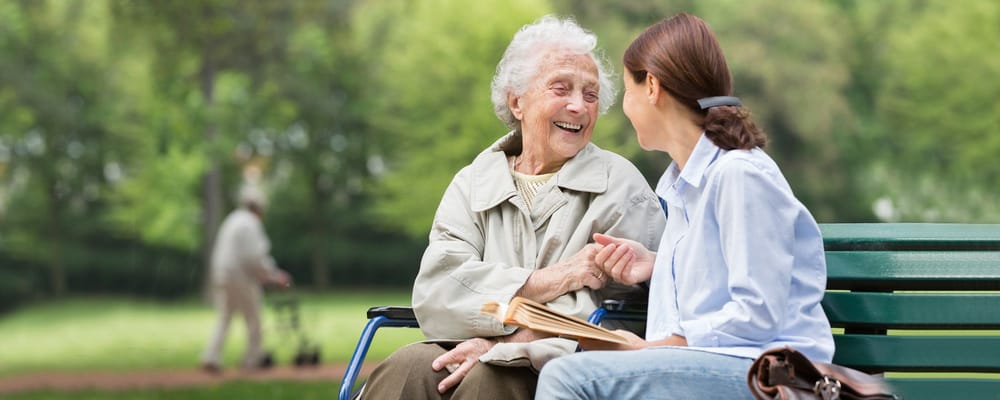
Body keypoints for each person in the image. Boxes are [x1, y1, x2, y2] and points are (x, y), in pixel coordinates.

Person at [359, 15, 666, 400]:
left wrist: (506, 345)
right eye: (561, 88)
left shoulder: (620, 185)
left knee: (490, 379)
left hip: (565, 363)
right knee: (405, 369)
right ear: (516, 101)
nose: (578, 106)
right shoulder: (473, 182)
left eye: (590, 95)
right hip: (466, 344)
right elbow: (437, 289)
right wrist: (556, 279)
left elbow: (627, 314)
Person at [535, 13, 834, 399]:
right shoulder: (685, 186)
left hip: (768, 375)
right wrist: (658, 265)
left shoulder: (740, 175)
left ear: (653, 87)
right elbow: (732, 273)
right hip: (722, 368)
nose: (623, 108)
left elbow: (757, 312)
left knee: (569, 377)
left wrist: (656, 349)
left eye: (628, 91)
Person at [200, 184, 291, 373]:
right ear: (258, 208)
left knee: (225, 316)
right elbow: (255, 258)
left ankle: (211, 356)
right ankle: (253, 359)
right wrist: (274, 276)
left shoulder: (233, 219)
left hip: (221, 274)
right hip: (240, 276)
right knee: (254, 318)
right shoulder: (251, 223)